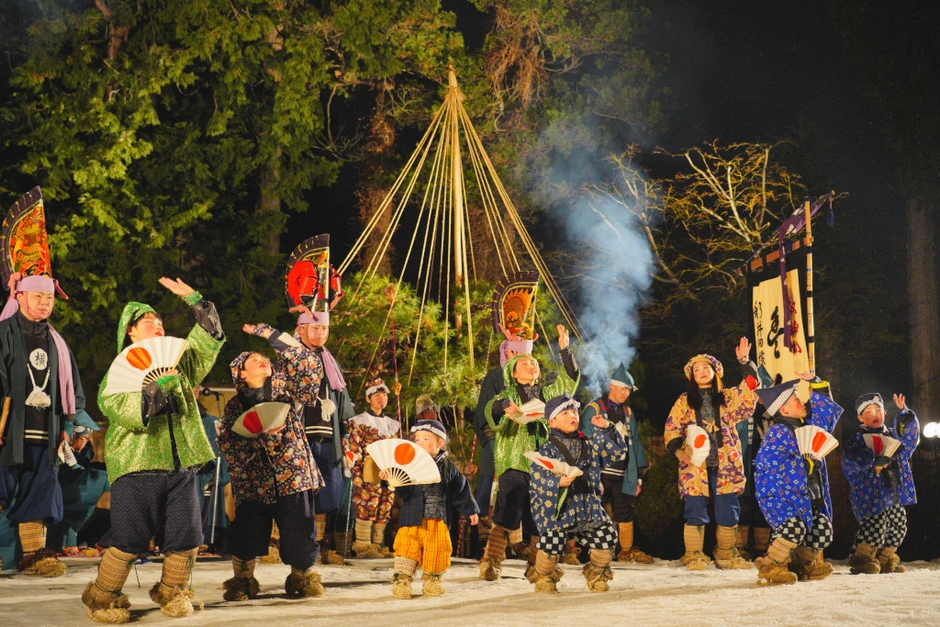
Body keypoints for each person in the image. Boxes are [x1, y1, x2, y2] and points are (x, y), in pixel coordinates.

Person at [83, 277, 224, 623]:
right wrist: (153, 391)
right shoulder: (119, 373)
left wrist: (194, 298)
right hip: (137, 464)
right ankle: (103, 599)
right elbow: (122, 410)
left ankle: (173, 594)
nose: (158, 327)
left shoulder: (180, 363)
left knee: (187, 534)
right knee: (130, 537)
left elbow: (209, 339)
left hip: (180, 464)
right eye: (149, 322)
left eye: (161, 323)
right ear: (130, 332)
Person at [244, 308, 354, 565]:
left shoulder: (330, 362)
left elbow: (343, 405)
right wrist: (264, 330)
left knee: (326, 494)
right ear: (301, 329)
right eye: (315, 327)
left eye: (325, 328)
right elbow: (283, 351)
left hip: (328, 437)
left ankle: (315, 547)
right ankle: (274, 544)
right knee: (289, 490)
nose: (321, 333)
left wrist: (346, 438)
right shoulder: (292, 356)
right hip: (295, 436)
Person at [218, 351, 325, 601]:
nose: (263, 360)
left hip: (293, 475)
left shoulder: (287, 392)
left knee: (301, 532)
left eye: (265, 358)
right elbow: (230, 446)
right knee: (246, 533)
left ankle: (302, 578)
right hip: (253, 481)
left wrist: (281, 343)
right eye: (254, 360)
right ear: (241, 373)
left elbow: (310, 370)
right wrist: (265, 437)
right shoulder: (235, 406)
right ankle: (242, 582)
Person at [0, 271, 87, 577]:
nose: (45, 303)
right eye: (38, 296)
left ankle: (34, 555)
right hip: (7, 431)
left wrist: (68, 424)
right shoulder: (3, 333)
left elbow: (70, 389)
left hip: (45, 433)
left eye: (49, 297)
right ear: (19, 296)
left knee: (40, 490)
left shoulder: (57, 342)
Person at [479, 324, 579, 581]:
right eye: (524, 364)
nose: (531, 366)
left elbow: (569, 381)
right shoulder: (507, 394)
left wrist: (565, 350)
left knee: (540, 513)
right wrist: (505, 409)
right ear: (513, 372)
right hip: (514, 460)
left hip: (543, 462)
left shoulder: (548, 394)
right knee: (507, 508)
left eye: (534, 363)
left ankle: (537, 565)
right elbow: (492, 409)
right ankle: (491, 561)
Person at [663, 338, 759, 571]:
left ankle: (726, 553)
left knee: (728, 507)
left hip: (726, 462)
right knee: (694, 507)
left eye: (706, 368)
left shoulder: (728, 397)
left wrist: (745, 362)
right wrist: (678, 452)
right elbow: (672, 427)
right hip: (695, 464)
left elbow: (752, 389)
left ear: (716, 372)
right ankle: (694, 554)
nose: (701, 372)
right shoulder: (685, 401)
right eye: (696, 369)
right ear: (691, 376)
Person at [528, 394, 624, 593]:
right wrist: (557, 482)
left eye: (574, 411)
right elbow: (537, 478)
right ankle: (544, 578)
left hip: (589, 506)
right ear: (552, 421)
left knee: (606, 536)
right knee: (551, 545)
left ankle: (597, 575)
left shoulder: (590, 443)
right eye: (565, 413)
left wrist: (607, 428)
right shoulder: (547, 449)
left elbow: (615, 453)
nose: (572, 415)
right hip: (561, 508)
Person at [753, 373, 843, 585]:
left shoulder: (806, 427)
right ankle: (772, 565)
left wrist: (817, 384)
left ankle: (802, 565)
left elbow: (825, 419)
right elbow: (771, 466)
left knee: (822, 529)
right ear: (783, 410)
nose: (802, 401)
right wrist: (803, 465)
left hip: (810, 495)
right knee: (794, 528)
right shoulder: (777, 433)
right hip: (783, 497)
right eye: (795, 399)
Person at [387, 418, 479, 598]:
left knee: (437, 550)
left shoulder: (448, 467)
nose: (420, 442)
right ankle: (402, 581)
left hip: (438, 519)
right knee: (406, 548)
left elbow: (461, 490)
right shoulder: (408, 465)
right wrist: (390, 479)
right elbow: (403, 492)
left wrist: (470, 510)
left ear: (439, 443)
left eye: (426, 439)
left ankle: (433, 580)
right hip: (411, 519)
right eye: (417, 439)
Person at [580, 362, 652, 564]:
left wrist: (638, 476)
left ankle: (626, 552)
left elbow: (635, 443)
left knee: (625, 512)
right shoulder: (593, 408)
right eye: (623, 388)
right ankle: (593, 552)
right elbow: (584, 441)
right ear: (612, 386)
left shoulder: (628, 413)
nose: (626, 393)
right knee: (594, 512)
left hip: (623, 474)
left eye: (629, 390)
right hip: (599, 472)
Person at [841, 392, 918, 574]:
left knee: (898, 525)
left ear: (885, 413)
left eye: (878, 410)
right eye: (869, 411)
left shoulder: (893, 435)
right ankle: (862, 559)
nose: (875, 414)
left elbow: (909, 440)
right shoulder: (858, 439)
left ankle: (885, 559)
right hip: (870, 492)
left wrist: (904, 413)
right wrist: (872, 461)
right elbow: (849, 461)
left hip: (892, 489)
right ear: (860, 417)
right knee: (875, 525)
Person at [346, 376, 399, 558]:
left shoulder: (392, 424)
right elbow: (355, 448)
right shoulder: (360, 421)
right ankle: (362, 545)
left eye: (383, 395)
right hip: (369, 468)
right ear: (368, 399)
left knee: (385, 506)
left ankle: (378, 545)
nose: (380, 398)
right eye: (376, 395)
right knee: (368, 504)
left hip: (389, 471)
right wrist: (357, 473)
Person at [47, 411, 109, 555]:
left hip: (69, 493)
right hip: (60, 493)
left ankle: (70, 542)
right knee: (100, 481)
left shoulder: (82, 453)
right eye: (84, 439)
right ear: (73, 435)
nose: (84, 444)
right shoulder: (60, 450)